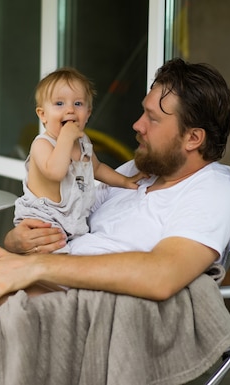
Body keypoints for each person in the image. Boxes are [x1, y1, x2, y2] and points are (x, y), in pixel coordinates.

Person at [0, 57, 230, 384]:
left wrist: (38, 267)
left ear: (194, 138)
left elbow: (162, 274)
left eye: (153, 119)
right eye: (142, 113)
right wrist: (18, 242)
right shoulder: (135, 174)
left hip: (58, 307)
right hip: (36, 278)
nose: (137, 125)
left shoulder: (211, 189)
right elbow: (60, 212)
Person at [14, 67, 144, 253]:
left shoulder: (83, 142)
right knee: (52, 267)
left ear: (88, 113)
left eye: (78, 104)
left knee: (73, 261)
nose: (70, 110)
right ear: (42, 114)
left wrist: (124, 181)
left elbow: (97, 168)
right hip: (42, 221)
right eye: (59, 103)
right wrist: (66, 138)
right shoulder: (42, 144)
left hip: (72, 220)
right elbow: (55, 172)